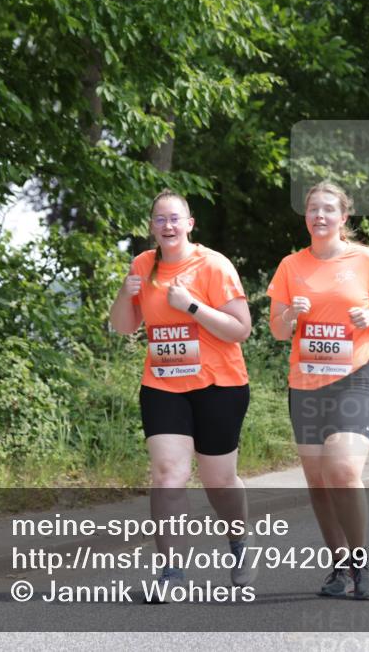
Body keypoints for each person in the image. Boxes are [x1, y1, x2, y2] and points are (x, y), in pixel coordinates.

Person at [110, 189, 256, 599]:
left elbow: (240, 328)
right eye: (160, 219)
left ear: (190, 224)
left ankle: (239, 543)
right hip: (163, 385)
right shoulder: (143, 265)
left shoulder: (213, 265)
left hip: (219, 386)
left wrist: (191, 306)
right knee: (168, 474)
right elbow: (123, 326)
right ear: (152, 227)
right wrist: (126, 292)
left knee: (218, 482)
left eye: (175, 219)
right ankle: (172, 572)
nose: (168, 226)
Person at [267, 181, 369, 600]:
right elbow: (277, 330)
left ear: (344, 218)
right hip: (306, 383)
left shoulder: (365, 260)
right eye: (313, 210)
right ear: (305, 216)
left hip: (356, 377)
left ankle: (361, 563)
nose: (320, 216)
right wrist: (291, 313)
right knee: (319, 483)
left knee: (342, 470)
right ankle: (340, 566)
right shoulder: (291, 266)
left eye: (329, 210)